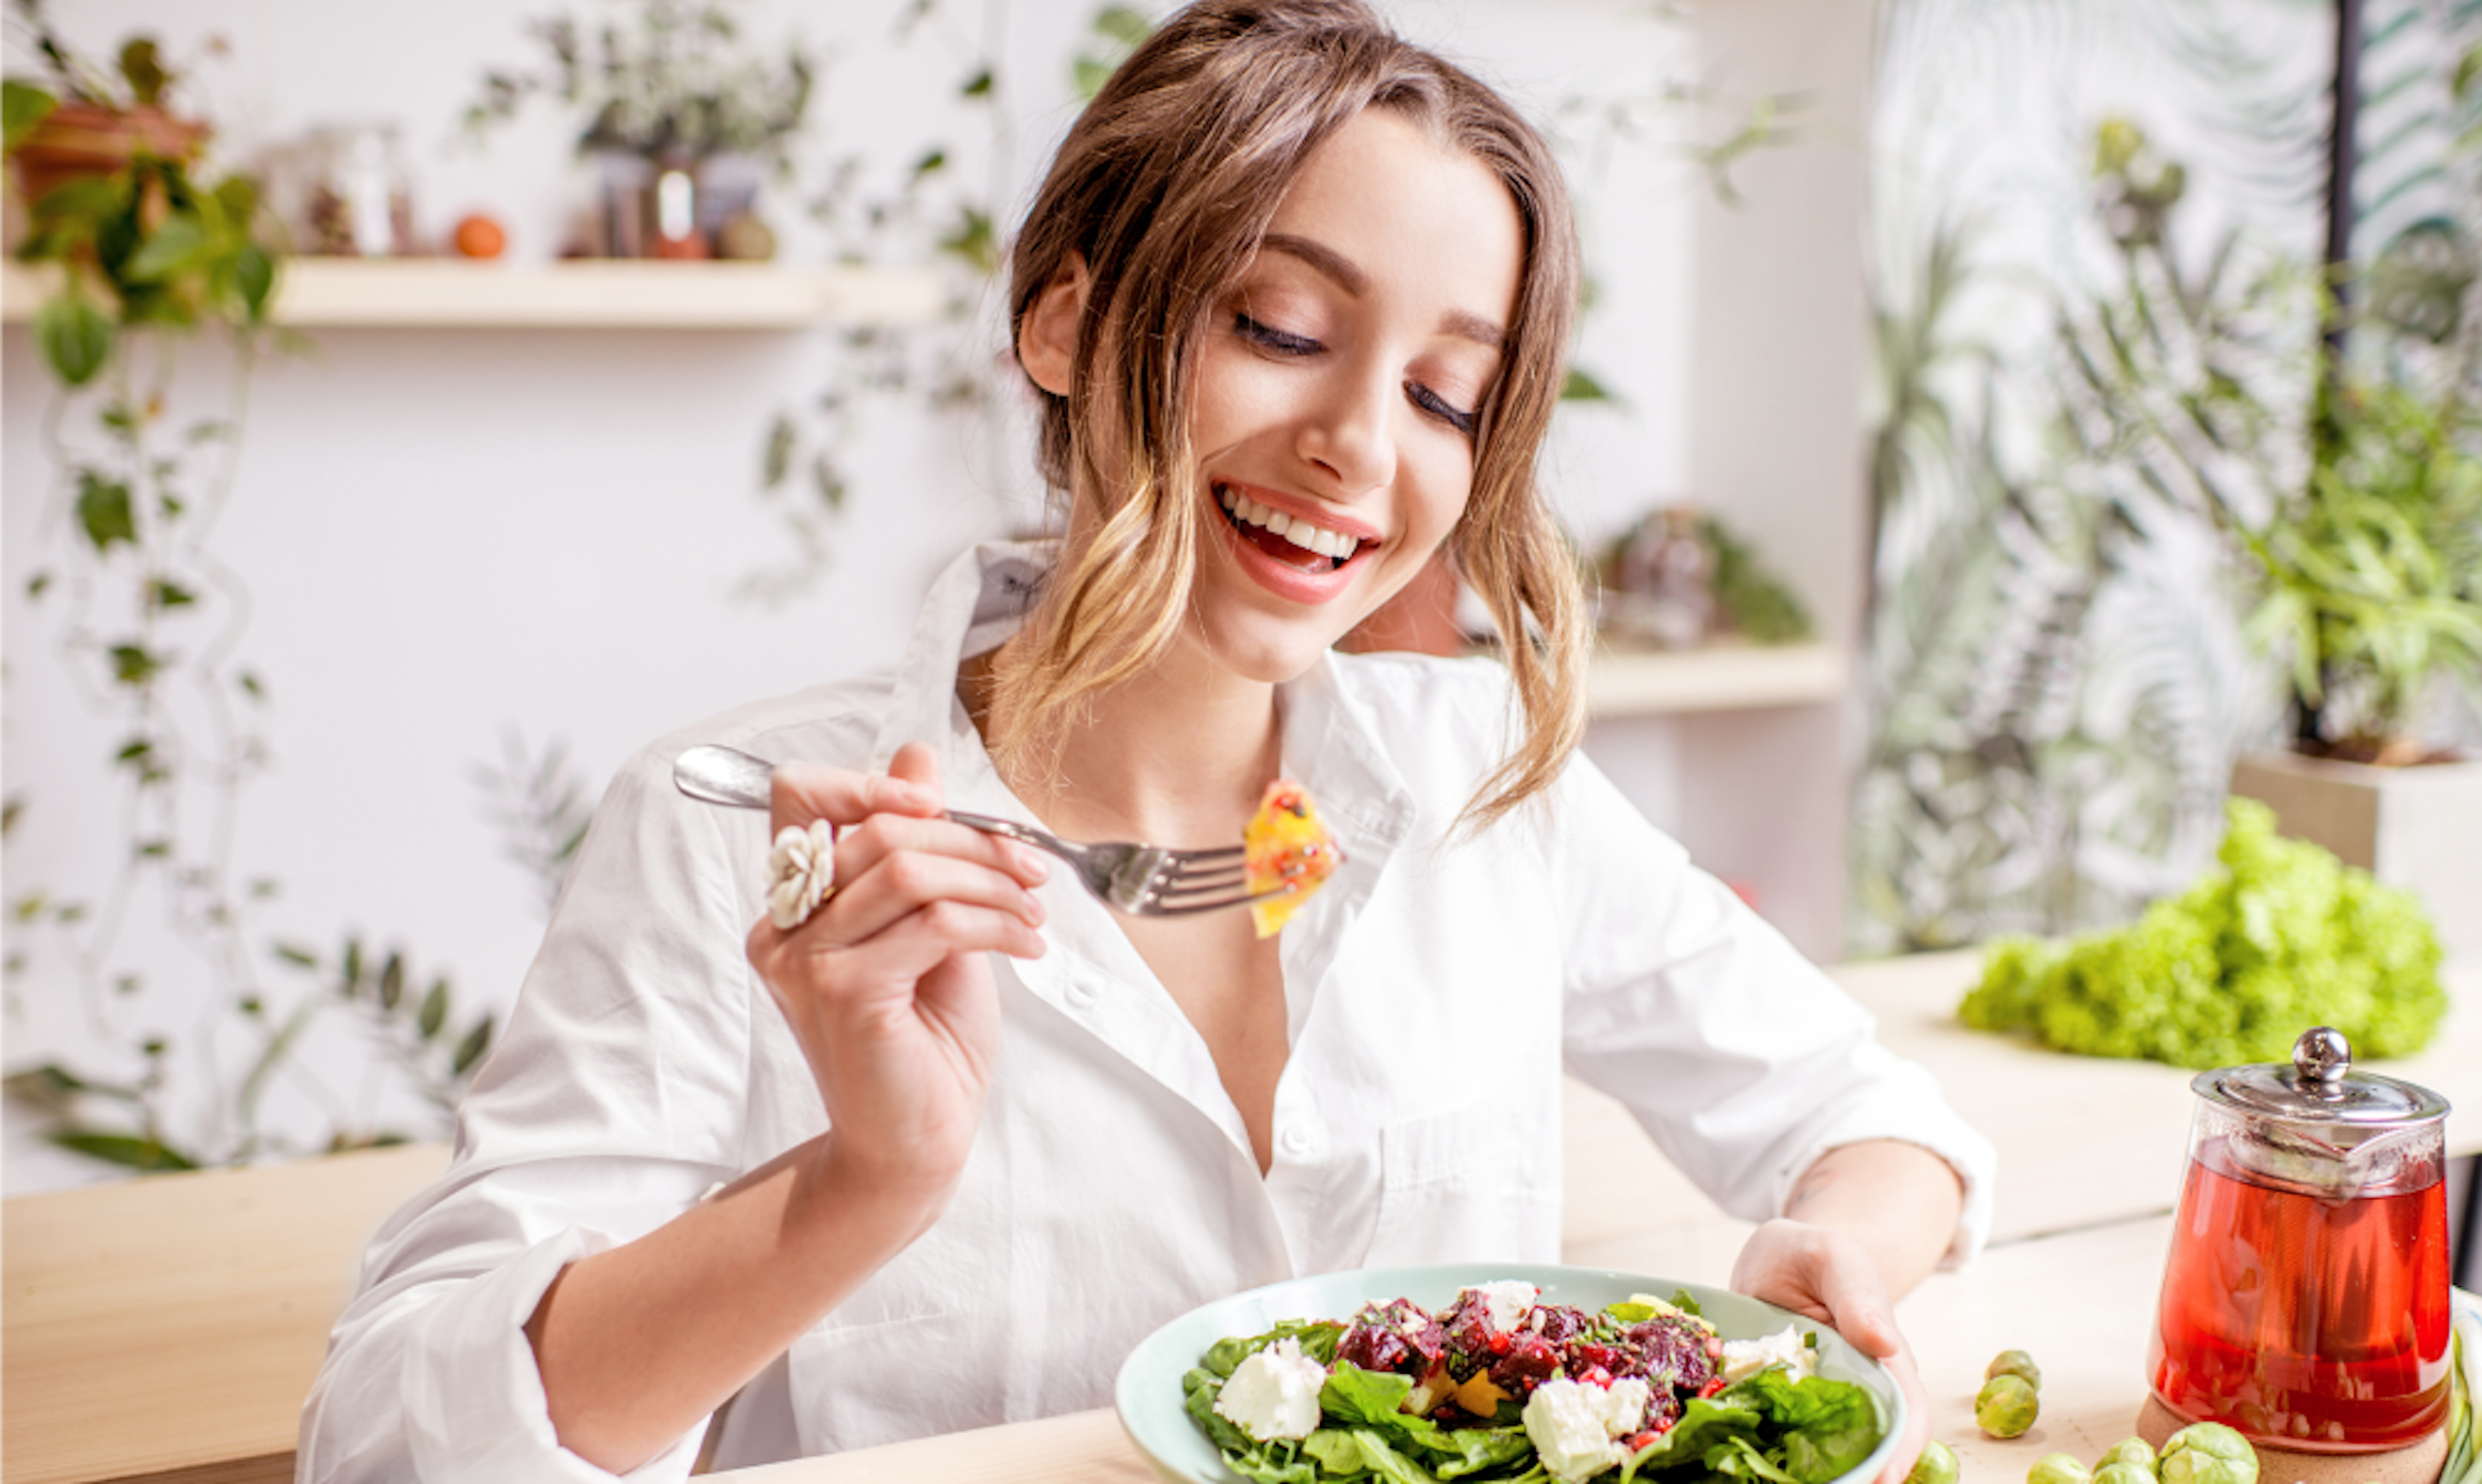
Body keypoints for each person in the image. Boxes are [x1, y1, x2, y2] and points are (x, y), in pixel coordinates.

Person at [297, 2, 1994, 1480]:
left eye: (1444, 395)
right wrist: (863, 1184)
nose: (1354, 448)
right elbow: (392, 1445)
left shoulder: (1486, 781)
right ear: (1064, 322)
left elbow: (1873, 1117)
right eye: (1278, 329)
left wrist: (1832, 1249)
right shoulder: (738, 824)